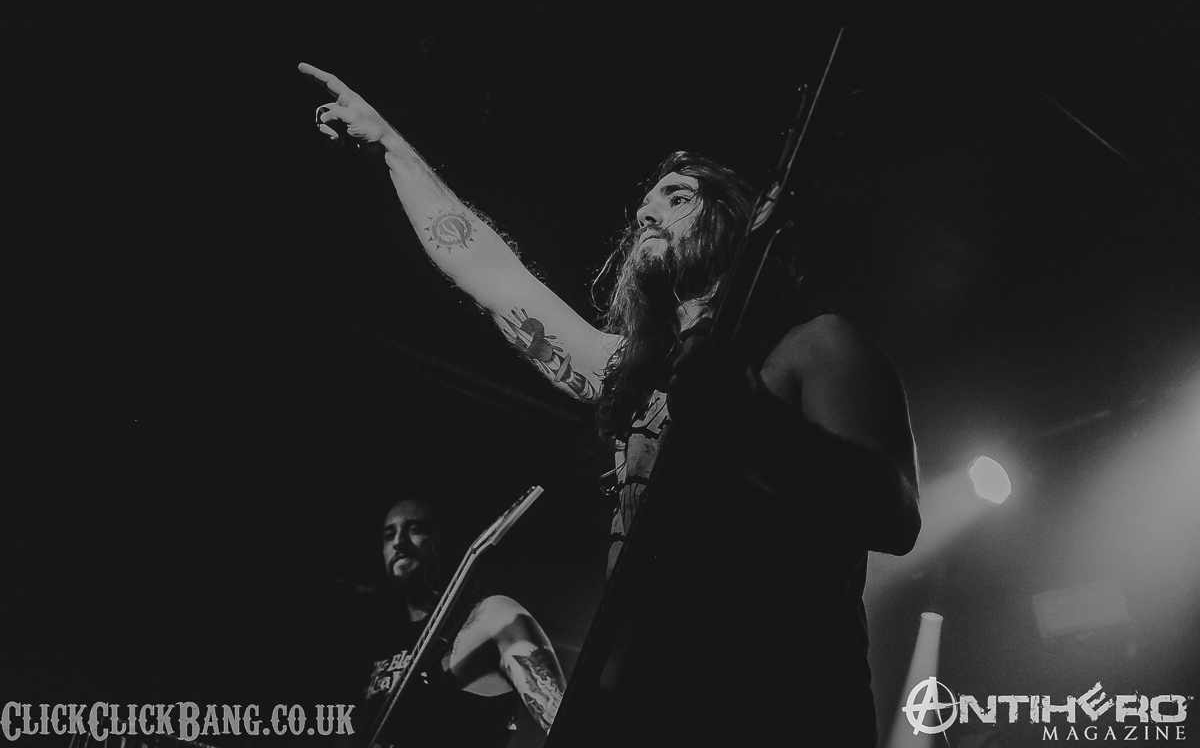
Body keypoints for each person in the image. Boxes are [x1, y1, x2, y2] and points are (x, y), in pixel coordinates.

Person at [300, 62, 921, 746]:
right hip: (656, 709)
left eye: (677, 196)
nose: (647, 213)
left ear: (738, 221)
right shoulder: (630, 374)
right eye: (646, 205)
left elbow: (894, 516)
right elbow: (489, 271)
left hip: (788, 710)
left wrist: (751, 416)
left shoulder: (817, 346)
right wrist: (391, 145)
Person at [360, 496, 567, 748]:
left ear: (444, 540)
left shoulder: (493, 616)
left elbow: (566, 726)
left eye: (415, 529)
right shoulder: (379, 646)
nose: (398, 542)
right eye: (389, 534)